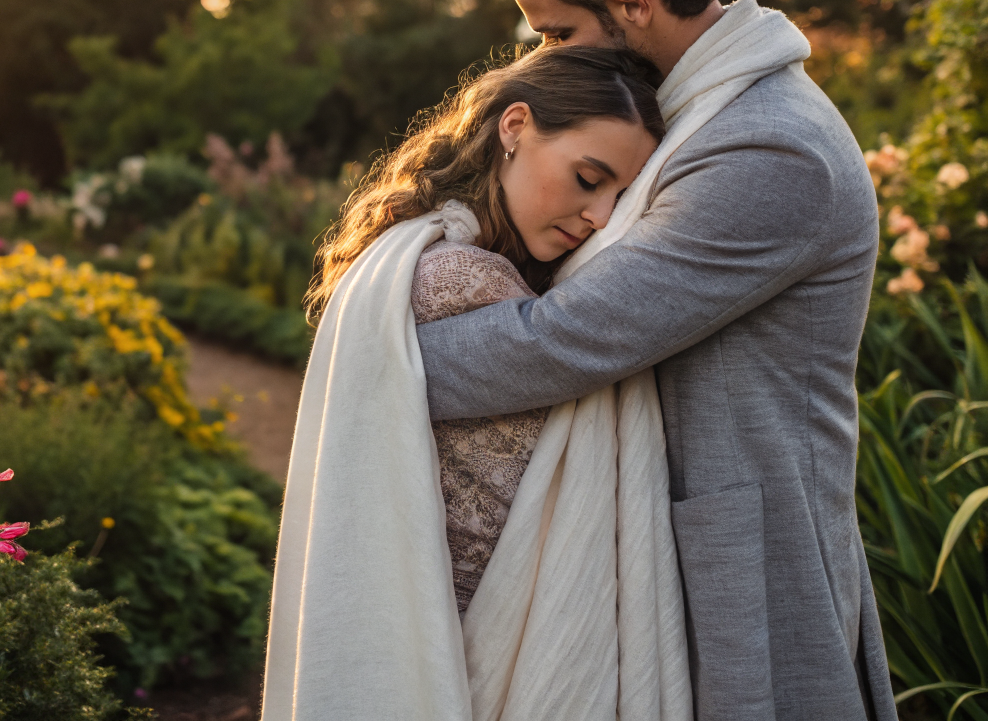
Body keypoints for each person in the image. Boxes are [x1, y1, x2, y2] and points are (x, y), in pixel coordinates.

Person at [416, 0, 894, 721]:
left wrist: (379, 362)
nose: (545, 59)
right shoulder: (694, 115)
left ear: (632, 3)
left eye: (558, 32)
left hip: (741, 560)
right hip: (655, 535)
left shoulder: (769, 148)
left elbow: (573, 336)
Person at [264, 45, 688, 721]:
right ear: (514, 127)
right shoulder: (464, 279)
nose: (601, 217)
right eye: (587, 178)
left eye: (619, 198)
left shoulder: (409, 252)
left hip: (438, 636)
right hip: (490, 656)